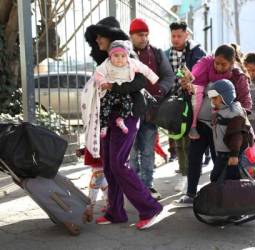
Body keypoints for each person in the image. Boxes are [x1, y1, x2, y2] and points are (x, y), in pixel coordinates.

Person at [84, 16, 162, 230]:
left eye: (101, 35)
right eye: (96, 36)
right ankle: (115, 212)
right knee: (109, 164)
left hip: (127, 115)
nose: (98, 39)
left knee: (118, 163)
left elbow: (140, 81)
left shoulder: (127, 55)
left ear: (111, 36)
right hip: (108, 116)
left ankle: (149, 207)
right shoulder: (106, 60)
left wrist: (113, 87)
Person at [175, 44, 252, 206]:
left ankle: (221, 197)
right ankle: (191, 194)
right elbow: (196, 91)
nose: (218, 67)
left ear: (232, 63)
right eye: (216, 63)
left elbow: (245, 105)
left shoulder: (238, 78)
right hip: (201, 124)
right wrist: (188, 87)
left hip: (223, 129)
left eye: (223, 64)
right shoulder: (205, 69)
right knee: (194, 157)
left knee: (220, 163)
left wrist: (230, 119)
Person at [129, 18, 174, 199]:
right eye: (140, 35)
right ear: (131, 35)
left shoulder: (156, 53)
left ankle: (147, 186)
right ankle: (134, 186)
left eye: (146, 35)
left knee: (148, 150)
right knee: (131, 152)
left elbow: (168, 75)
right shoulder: (121, 53)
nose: (144, 38)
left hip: (151, 111)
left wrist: (160, 90)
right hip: (129, 112)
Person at [165, 21, 206, 176]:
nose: (175, 39)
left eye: (179, 36)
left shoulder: (197, 52)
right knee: (178, 141)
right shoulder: (166, 54)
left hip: (192, 101)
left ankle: (193, 172)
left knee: (191, 140)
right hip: (173, 103)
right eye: (173, 36)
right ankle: (184, 172)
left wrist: (191, 81)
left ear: (186, 35)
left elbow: (204, 74)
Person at [94, 40, 159, 138]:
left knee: (128, 104)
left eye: (123, 56)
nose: (119, 59)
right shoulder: (106, 64)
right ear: (110, 56)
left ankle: (121, 119)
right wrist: (103, 82)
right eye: (116, 56)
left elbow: (145, 69)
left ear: (127, 56)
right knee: (105, 106)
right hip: (111, 91)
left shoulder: (132, 63)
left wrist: (153, 78)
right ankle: (104, 126)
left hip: (125, 91)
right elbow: (98, 73)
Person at [207, 79, 255, 182]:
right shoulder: (224, 110)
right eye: (211, 99)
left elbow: (237, 136)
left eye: (215, 98)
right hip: (223, 154)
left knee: (220, 180)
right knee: (223, 180)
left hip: (229, 155)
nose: (213, 101)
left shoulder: (233, 113)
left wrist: (233, 155)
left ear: (226, 96)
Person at [75, 147, 108, 222]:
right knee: (104, 185)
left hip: (99, 163)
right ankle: (110, 204)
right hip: (99, 163)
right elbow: (91, 143)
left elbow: (95, 142)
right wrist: (83, 151)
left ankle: (89, 209)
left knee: (94, 188)